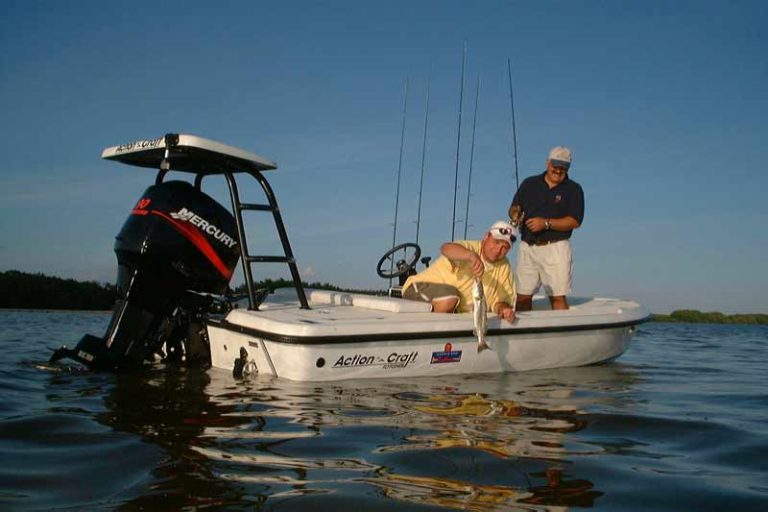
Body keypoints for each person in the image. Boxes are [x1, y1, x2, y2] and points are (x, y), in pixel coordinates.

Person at [508, 146, 584, 311]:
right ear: (548, 163)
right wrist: (515, 214)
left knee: (557, 297)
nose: (558, 170)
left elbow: (575, 221)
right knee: (522, 297)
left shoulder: (574, 189)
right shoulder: (529, 183)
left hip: (556, 248)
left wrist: (546, 223)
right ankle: (524, 328)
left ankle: (562, 328)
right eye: (555, 165)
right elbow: (514, 207)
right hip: (527, 247)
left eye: (563, 167)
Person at [402, 221, 517, 322]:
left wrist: (504, 309)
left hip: (460, 312)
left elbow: (499, 302)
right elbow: (445, 248)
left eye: (505, 247)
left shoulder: (504, 266)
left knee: (456, 301)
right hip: (416, 287)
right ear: (486, 236)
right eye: (496, 242)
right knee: (450, 297)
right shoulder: (470, 247)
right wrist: (470, 256)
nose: (498, 250)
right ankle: (433, 333)